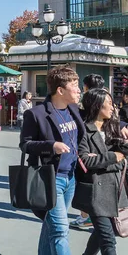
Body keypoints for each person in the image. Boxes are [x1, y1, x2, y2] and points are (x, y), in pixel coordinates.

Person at [20, 66, 85, 255]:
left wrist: (121, 125)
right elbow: (25, 145)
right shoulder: (36, 114)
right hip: (49, 179)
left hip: (70, 177)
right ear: (60, 90)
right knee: (60, 230)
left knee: (51, 226)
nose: (79, 89)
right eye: (74, 85)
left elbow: (98, 114)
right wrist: (51, 145)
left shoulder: (74, 109)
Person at [74, 88, 128, 255]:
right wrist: (113, 156)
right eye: (109, 104)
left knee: (101, 234)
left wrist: (103, 158)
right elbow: (86, 161)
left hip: (115, 192)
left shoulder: (113, 129)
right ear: (97, 106)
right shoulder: (83, 130)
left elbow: (123, 160)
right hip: (94, 194)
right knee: (108, 241)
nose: (113, 108)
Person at [70, 73, 106, 229]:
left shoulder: (86, 101)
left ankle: (87, 216)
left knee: (85, 181)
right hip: (103, 143)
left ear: (86, 86)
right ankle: (98, 214)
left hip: (87, 143)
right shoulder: (105, 97)